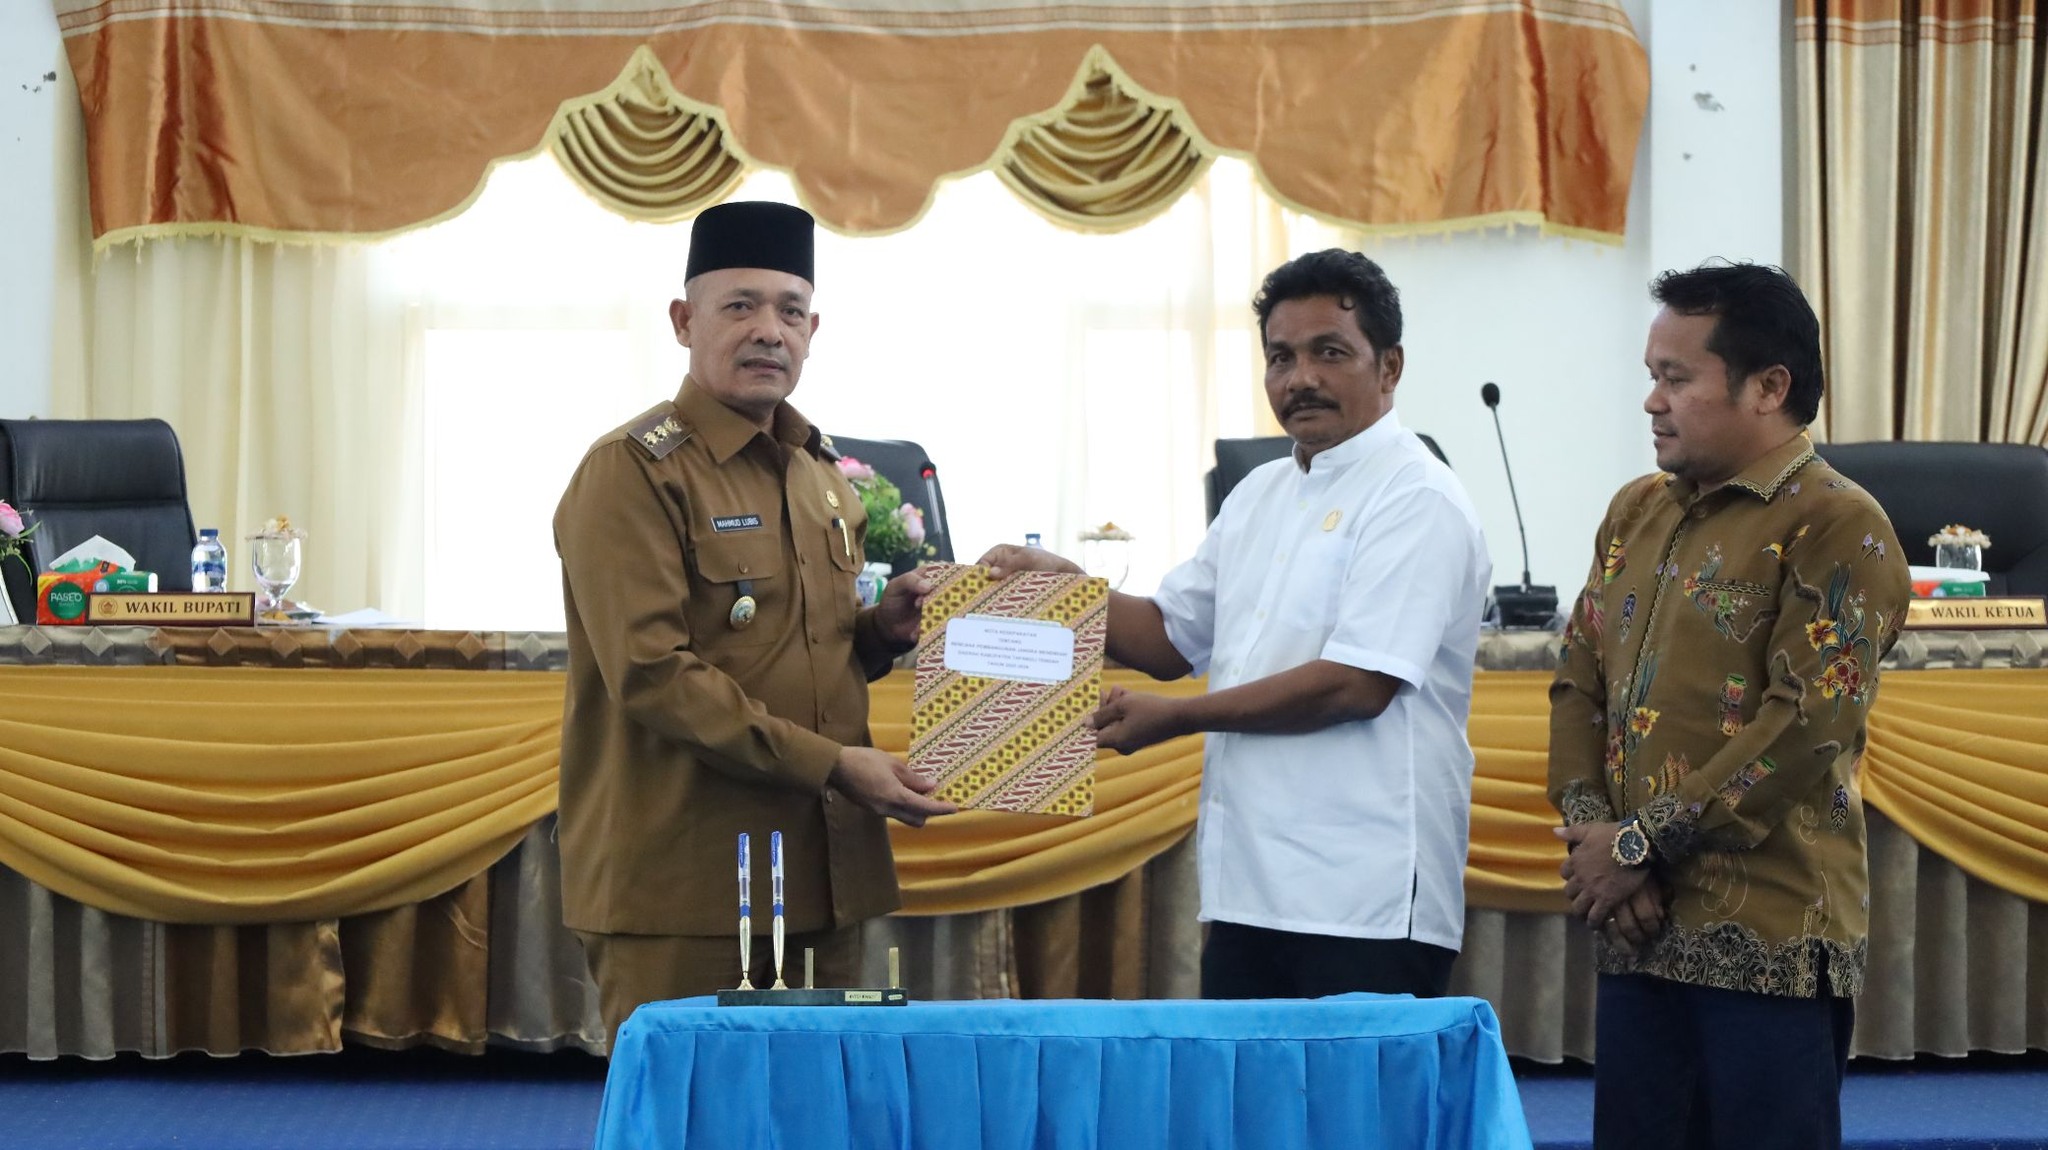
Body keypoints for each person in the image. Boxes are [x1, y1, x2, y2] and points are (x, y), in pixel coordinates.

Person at [982, 249, 1491, 999]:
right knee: (1239, 1081)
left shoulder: (1417, 497)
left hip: (1365, 896)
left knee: (1351, 1084)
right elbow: (1168, 637)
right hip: (1249, 886)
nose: (1300, 378)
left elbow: (1355, 685)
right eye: (1280, 357)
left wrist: (1179, 718)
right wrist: (1067, 592)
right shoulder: (1258, 493)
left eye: (1329, 352)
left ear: (1390, 367)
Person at [553, 201, 956, 1042]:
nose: (769, 330)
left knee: (819, 1104)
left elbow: (804, 647)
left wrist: (881, 630)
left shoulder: (820, 476)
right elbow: (654, 674)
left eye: (790, 311)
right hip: (689, 882)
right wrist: (835, 765)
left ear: (813, 331)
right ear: (683, 320)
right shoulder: (633, 472)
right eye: (740, 306)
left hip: (824, 873)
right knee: (695, 1106)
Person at [1549, 261, 1911, 1149]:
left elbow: (1804, 726)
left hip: (1769, 941)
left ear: (1768, 388)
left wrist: (1636, 845)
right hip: (1636, 925)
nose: (1652, 402)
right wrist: (1597, 838)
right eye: (1652, 376)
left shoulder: (1840, 523)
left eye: (1676, 379)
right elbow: (1578, 677)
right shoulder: (1636, 510)